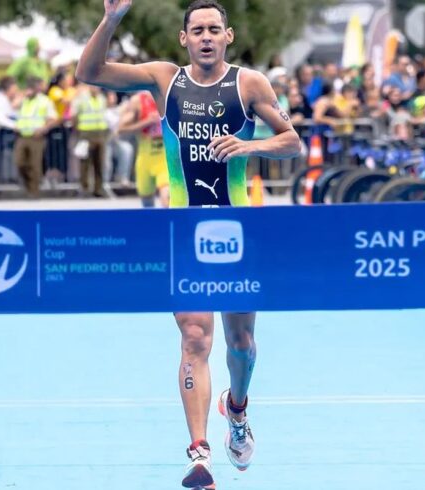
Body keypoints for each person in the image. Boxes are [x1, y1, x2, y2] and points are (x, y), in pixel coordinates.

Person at [76, 1, 302, 488]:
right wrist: (111, 20)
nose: (205, 37)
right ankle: (199, 453)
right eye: (196, 30)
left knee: (241, 344)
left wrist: (251, 145)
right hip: (183, 231)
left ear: (228, 36)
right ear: (184, 39)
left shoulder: (250, 84)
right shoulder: (165, 80)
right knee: (196, 336)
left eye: (213, 29)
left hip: (238, 230)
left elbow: (292, 141)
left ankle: (236, 409)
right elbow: (89, 72)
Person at [117, 90, 170, 207]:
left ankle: (169, 220)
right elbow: (121, 129)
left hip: (165, 160)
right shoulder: (138, 101)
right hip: (145, 160)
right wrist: (146, 122)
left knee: (166, 198)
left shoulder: (170, 96)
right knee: (147, 206)